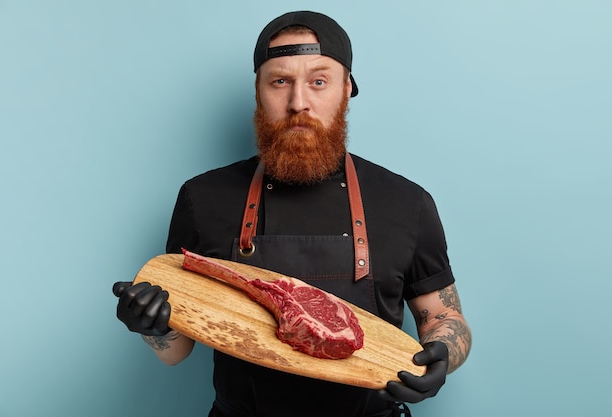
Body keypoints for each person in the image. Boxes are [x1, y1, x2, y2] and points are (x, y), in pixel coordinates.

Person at [113, 10, 472, 417]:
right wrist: (151, 328)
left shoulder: (407, 202)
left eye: (319, 82)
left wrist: (441, 355)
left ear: (346, 89)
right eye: (280, 81)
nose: (298, 102)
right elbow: (175, 352)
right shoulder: (202, 199)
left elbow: (444, 317)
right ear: (258, 91)